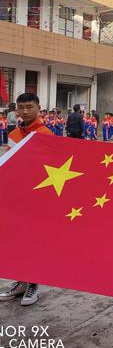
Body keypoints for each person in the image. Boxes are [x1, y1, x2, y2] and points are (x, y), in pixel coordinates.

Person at [0, 93, 53, 306]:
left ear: (38, 107)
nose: (24, 111)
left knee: (34, 241)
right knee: (18, 240)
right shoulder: (13, 134)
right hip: (17, 197)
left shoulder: (45, 133)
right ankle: (20, 282)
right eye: (20, 107)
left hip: (39, 198)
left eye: (29, 107)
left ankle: (33, 283)